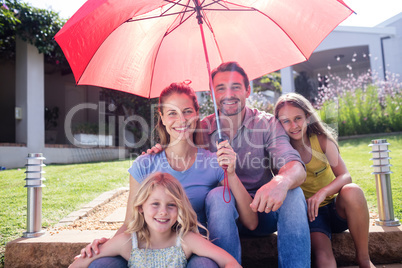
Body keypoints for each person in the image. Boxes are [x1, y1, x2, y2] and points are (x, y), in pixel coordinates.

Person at [79, 82, 257, 267]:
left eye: (187, 111)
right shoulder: (145, 164)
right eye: (172, 113)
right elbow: (130, 223)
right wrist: (104, 246)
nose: (181, 119)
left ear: (197, 115)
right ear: (162, 118)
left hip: (195, 250)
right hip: (150, 251)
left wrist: (232, 174)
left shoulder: (215, 162)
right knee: (101, 264)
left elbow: (251, 223)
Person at [199, 62, 311, 267]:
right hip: (222, 218)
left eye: (235, 87)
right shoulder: (201, 130)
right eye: (220, 88)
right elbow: (174, 155)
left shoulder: (266, 123)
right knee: (217, 196)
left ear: (247, 90)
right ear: (212, 94)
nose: (228, 94)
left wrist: (281, 181)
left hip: (263, 211)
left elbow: (295, 166)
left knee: (293, 192)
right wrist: (157, 150)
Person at [274, 93, 374, 268]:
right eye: (286, 121)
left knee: (353, 189)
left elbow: (345, 176)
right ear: (278, 124)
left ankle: (364, 259)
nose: (294, 125)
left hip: (337, 208)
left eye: (298, 118)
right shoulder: (280, 151)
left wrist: (322, 193)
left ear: (307, 116)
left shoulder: (321, 140)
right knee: (323, 257)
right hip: (312, 215)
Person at [70, 172, 242, 268]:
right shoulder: (128, 242)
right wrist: (88, 254)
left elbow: (229, 261)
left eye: (171, 205)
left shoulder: (186, 240)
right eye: (155, 204)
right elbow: (77, 265)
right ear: (140, 208)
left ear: (180, 209)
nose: (163, 212)